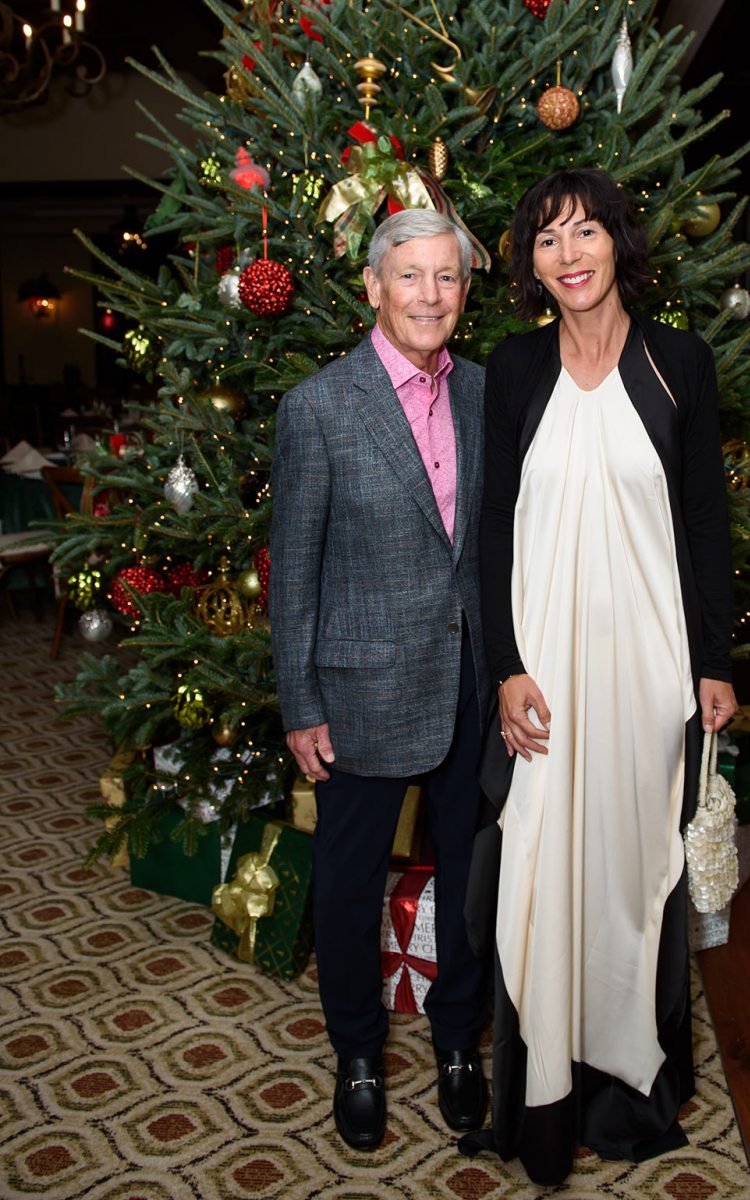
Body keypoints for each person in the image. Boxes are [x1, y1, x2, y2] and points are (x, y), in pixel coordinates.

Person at [464, 168, 738, 1185]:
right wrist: (505, 668)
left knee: (627, 874)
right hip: (542, 681)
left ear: (619, 241)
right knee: (539, 867)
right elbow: (493, 529)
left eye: (585, 232)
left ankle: (627, 1086)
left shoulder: (680, 361)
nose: (569, 254)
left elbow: (705, 520)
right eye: (547, 239)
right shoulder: (513, 368)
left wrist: (714, 662)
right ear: (530, 265)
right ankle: (542, 1097)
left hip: (646, 671)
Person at [269, 209, 490, 1152]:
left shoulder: (486, 393)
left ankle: (457, 1041)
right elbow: (295, 569)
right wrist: (301, 703)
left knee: (473, 879)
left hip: (472, 682)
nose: (429, 296)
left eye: (447, 277)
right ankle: (358, 1055)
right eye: (410, 275)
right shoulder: (319, 407)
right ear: (372, 286)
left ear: (464, 291)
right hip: (360, 690)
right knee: (349, 887)